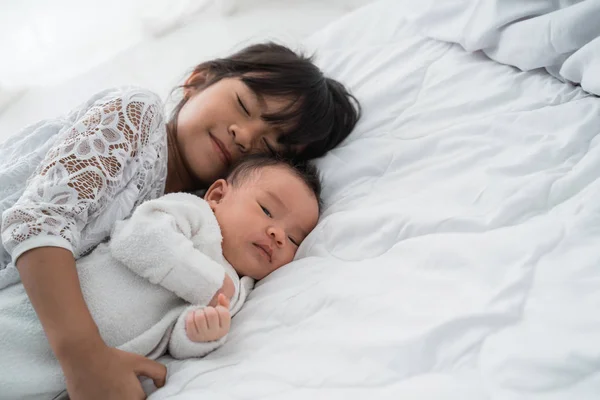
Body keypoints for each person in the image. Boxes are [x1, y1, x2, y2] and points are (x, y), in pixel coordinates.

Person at [0, 42, 360, 399]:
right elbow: (38, 220)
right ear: (198, 81)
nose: (245, 136)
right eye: (244, 106)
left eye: (270, 145)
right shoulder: (137, 116)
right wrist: (86, 358)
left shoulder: (205, 224)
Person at [0, 155, 321, 399]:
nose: (278, 234)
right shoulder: (193, 215)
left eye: (294, 239)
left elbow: (173, 338)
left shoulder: (241, 289)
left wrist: (200, 334)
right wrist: (208, 283)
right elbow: (138, 239)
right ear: (218, 196)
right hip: (40, 317)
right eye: (266, 210)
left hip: (64, 375)